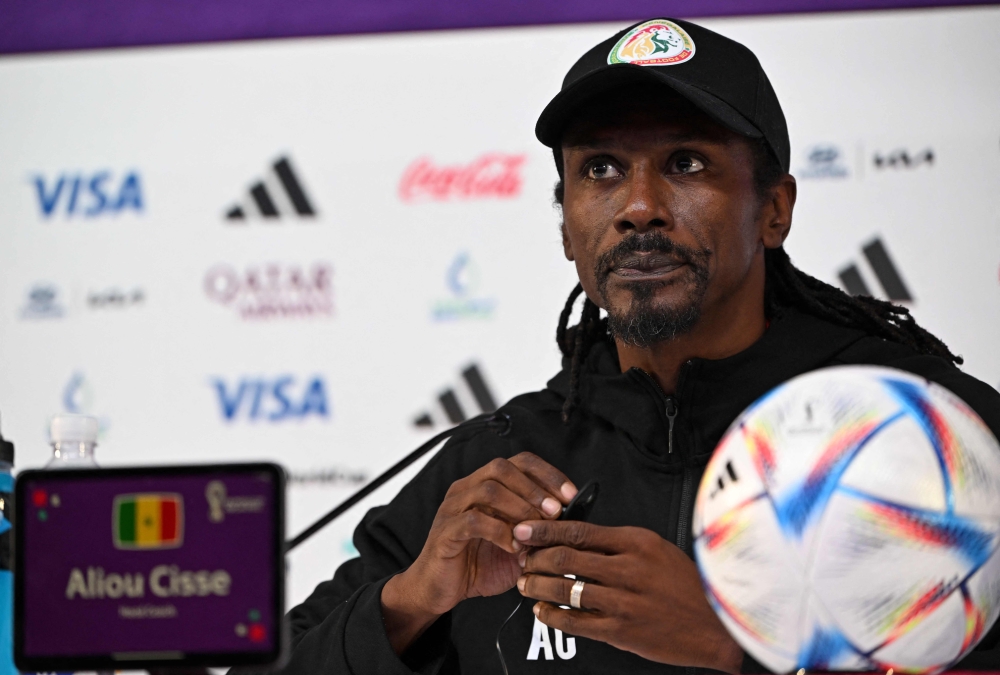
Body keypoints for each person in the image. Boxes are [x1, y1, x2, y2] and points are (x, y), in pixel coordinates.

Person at [276, 18, 1000, 674]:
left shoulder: (926, 435)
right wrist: (410, 602)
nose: (640, 207)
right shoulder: (495, 463)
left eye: (686, 163)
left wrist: (735, 651)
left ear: (774, 209)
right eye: (601, 170)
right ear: (565, 227)